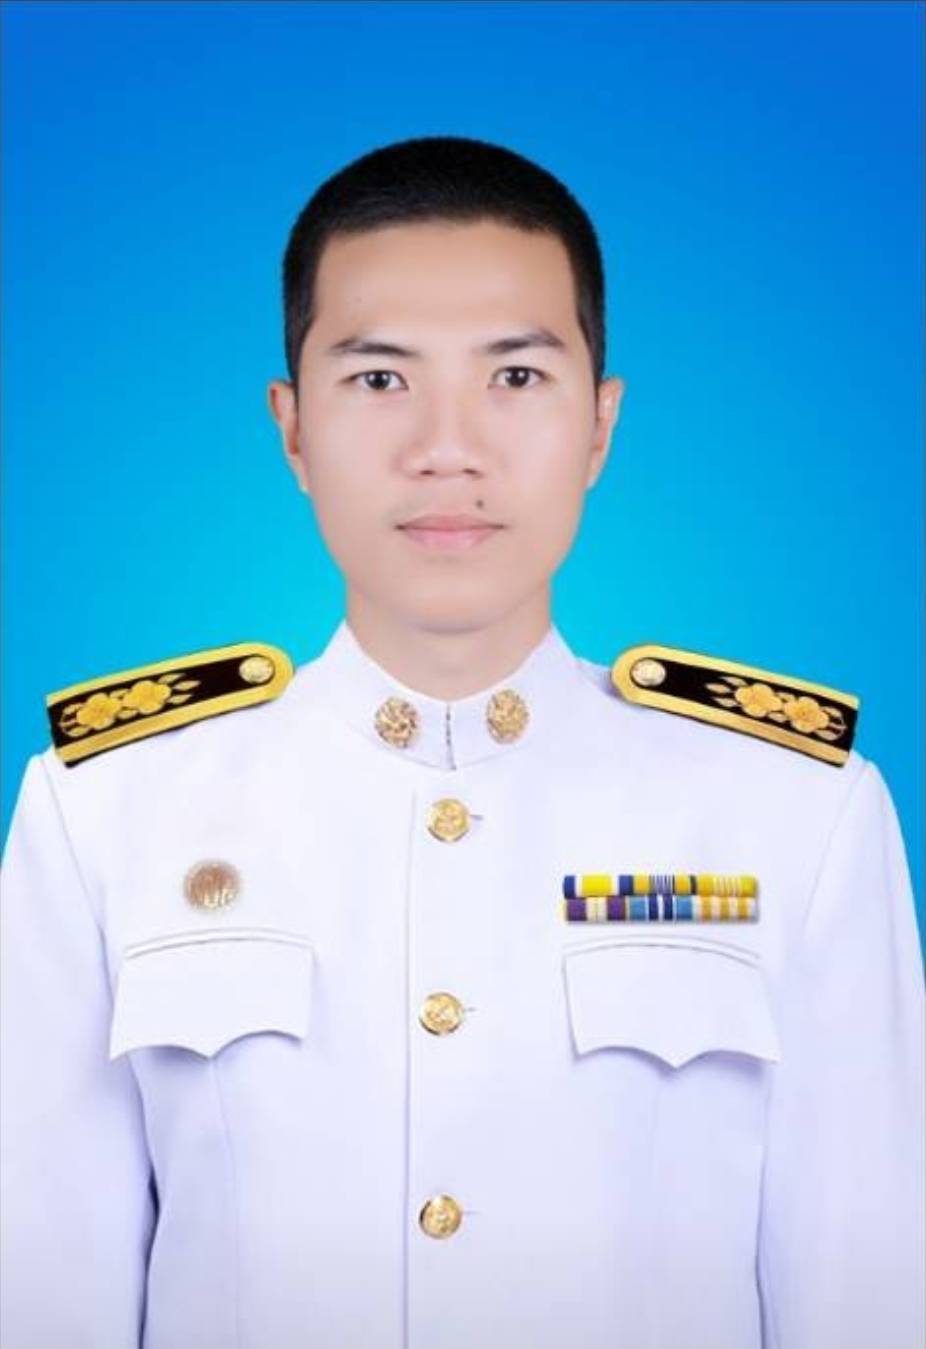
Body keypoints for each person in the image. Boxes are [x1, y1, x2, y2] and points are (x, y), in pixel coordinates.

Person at [1, 134, 923, 1349]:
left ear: (599, 425)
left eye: (516, 375)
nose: (447, 446)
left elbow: (864, 1295)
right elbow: (44, 1291)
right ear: (292, 428)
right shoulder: (105, 806)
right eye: (380, 378)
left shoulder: (795, 811)